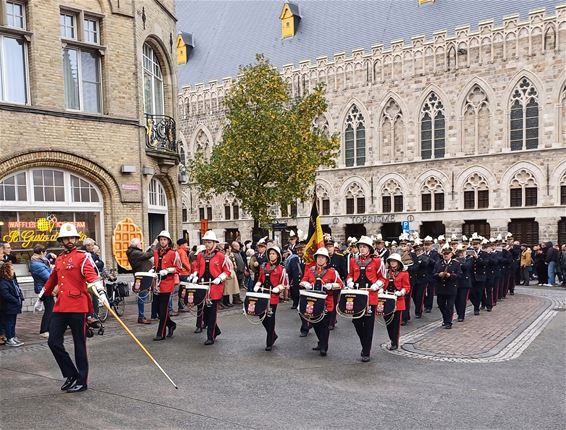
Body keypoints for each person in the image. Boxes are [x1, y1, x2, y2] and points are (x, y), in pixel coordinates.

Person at [40, 222, 104, 393]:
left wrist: (100, 291)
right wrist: (42, 294)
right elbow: (53, 279)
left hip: (78, 306)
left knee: (79, 345)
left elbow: (92, 276)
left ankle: (82, 381)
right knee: (53, 342)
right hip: (61, 306)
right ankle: (71, 374)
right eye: (66, 238)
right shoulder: (59, 259)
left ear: (76, 239)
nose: (69, 240)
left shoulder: (83, 257)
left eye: (72, 238)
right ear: (61, 241)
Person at [346, 235, 388, 362]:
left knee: (369, 325)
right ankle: (365, 344)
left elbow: (383, 278)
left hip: (371, 296)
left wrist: (377, 285)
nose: (362, 249)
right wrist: (349, 282)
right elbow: (349, 275)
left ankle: (366, 351)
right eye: (360, 246)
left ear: (369, 248)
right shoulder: (353, 261)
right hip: (357, 295)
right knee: (356, 321)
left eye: (364, 247)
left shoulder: (378, 261)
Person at [189, 230, 231, 345]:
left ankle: (210, 337)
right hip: (202, 286)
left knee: (212, 313)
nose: (207, 244)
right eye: (205, 242)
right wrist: (194, 274)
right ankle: (216, 330)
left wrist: (220, 278)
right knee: (205, 314)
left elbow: (227, 271)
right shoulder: (201, 255)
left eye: (209, 242)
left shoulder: (221, 256)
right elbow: (197, 267)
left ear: (214, 243)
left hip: (215, 287)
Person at [300, 247, 343, 357]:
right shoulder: (310, 270)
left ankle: (324, 346)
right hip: (313, 303)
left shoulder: (332, 272)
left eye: (322, 258)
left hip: (326, 303)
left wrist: (331, 285)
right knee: (315, 324)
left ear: (327, 260)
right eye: (318, 257)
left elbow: (341, 284)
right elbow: (302, 281)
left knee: (324, 326)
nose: (320, 259)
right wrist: (306, 284)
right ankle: (321, 342)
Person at [253, 245, 288, 351]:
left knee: (270, 318)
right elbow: (260, 279)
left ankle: (269, 342)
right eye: (270, 254)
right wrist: (257, 284)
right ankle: (273, 334)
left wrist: (278, 288)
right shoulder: (263, 266)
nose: (271, 255)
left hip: (273, 296)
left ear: (277, 255)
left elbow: (284, 283)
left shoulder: (281, 268)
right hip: (263, 295)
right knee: (261, 316)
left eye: (274, 253)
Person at [152, 231, 179, 341]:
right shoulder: (156, 252)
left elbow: (178, 268)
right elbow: (156, 265)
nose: (162, 241)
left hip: (167, 282)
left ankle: (160, 333)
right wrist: (152, 269)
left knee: (163, 309)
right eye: (161, 239)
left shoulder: (173, 253)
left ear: (168, 241)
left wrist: (167, 270)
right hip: (157, 282)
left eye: (164, 239)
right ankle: (171, 324)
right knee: (158, 309)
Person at [126, 237, 157, 324]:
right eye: (140, 243)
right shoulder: (135, 253)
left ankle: (146, 315)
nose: (141, 244)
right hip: (142, 277)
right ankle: (141, 316)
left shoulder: (134, 252)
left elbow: (145, 255)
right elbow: (149, 254)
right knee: (142, 296)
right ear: (136, 245)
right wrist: (154, 245)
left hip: (144, 275)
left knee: (145, 295)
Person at [382, 253, 410, 350]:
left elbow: (407, 287)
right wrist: (381, 289)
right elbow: (383, 283)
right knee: (388, 322)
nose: (392, 263)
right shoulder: (386, 273)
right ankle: (391, 338)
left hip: (398, 300)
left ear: (398, 263)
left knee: (395, 323)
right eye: (391, 261)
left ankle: (395, 341)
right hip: (386, 299)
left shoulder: (404, 273)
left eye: (394, 261)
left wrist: (401, 292)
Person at [433, 245, 462, 329]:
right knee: (441, 304)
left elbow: (459, 275)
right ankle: (445, 318)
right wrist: (438, 274)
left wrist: (451, 275)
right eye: (444, 253)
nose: (446, 255)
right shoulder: (438, 263)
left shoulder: (456, 263)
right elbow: (433, 273)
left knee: (449, 306)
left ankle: (448, 322)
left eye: (447, 253)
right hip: (440, 288)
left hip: (451, 287)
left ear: (451, 254)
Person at [30, 244, 53, 337]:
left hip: (46, 287)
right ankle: (44, 330)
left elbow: (44, 260)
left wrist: (50, 255)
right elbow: (48, 277)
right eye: (45, 252)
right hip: (44, 288)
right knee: (50, 309)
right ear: (41, 252)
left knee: (51, 308)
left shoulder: (37, 260)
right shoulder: (37, 264)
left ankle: (48, 328)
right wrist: (52, 269)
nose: (46, 254)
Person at [0, 262, 24, 347]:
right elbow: (5, 294)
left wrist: (20, 297)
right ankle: (9, 338)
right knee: (9, 322)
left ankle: (13, 336)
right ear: (7, 271)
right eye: (12, 269)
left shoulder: (12, 280)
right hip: (9, 306)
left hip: (15, 305)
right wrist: (15, 300)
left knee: (13, 322)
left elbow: (17, 289)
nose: (14, 271)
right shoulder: (3, 282)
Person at [325, 239, 347, 330]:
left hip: (335, 285)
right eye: (327, 247)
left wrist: (341, 282)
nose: (329, 248)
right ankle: (328, 318)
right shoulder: (323, 257)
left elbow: (344, 272)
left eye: (330, 247)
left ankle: (332, 322)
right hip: (325, 284)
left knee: (333, 303)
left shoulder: (339, 257)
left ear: (334, 247)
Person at [455, 247, 473, 322]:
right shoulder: (455, 259)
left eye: (462, 252)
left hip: (465, 282)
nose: (461, 254)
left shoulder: (469, 259)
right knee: (456, 300)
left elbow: (466, 267)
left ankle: (461, 315)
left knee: (462, 300)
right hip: (456, 282)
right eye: (460, 252)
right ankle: (459, 312)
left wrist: (460, 262)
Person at [176, 238, 192, 312]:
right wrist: (189, 269)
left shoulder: (178, 251)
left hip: (181, 273)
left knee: (181, 290)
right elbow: (183, 262)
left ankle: (181, 305)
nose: (187, 245)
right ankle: (182, 306)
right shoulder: (182, 252)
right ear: (182, 245)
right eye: (186, 244)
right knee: (183, 290)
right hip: (184, 273)